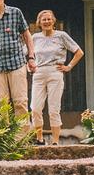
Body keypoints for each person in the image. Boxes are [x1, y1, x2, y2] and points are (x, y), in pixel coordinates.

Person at [27, 9, 84, 145]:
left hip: (55, 72)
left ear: (53, 21)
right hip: (39, 73)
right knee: (35, 107)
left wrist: (68, 66)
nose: (46, 21)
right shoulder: (34, 38)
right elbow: (27, 54)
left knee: (54, 108)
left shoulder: (61, 35)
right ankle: (39, 138)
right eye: (43, 19)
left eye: (49, 19)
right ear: (39, 23)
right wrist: (30, 65)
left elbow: (79, 52)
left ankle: (55, 141)